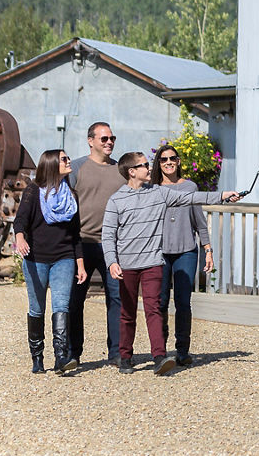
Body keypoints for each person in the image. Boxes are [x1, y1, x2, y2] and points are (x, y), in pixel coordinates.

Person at [102, 152, 239, 375]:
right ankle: (125, 356)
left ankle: (159, 356)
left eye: (148, 163)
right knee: (127, 311)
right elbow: (108, 235)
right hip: (126, 264)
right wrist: (112, 262)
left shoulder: (159, 193)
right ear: (132, 172)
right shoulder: (116, 200)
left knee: (153, 308)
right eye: (144, 165)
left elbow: (192, 198)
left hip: (153, 262)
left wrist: (223, 195)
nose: (149, 167)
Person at [13, 149, 88, 374]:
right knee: (37, 308)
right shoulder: (33, 191)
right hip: (36, 259)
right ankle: (37, 357)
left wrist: (80, 263)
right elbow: (20, 221)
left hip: (64, 259)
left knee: (62, 306)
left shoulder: (71, 195)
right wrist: (20, 239)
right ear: (52, 164)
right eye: (64, 159)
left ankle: (61, 357)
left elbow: (75, 233)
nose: (68, 161)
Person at [150, 144, 214, 366]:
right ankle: (161, 350)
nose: (168, 162)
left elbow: (200, 222)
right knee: (160, 302)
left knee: (183, 301)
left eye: (172, 158)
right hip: (159, 252)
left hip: (186, 250)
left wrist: (208, 250)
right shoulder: (152, 189)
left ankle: (182, 349)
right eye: (163, 159)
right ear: (158, 163)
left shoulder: (190, 187)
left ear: (178, 162)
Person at [69, 122, 126, 367]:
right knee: (74, 300)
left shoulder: (122, 171)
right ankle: (73, 353)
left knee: (117, 299)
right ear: (90, 141)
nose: (109, 142)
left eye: (112, 138)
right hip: (82, 243)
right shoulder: (77, 169)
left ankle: (116, 352)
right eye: (104, 139)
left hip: (113, 245)